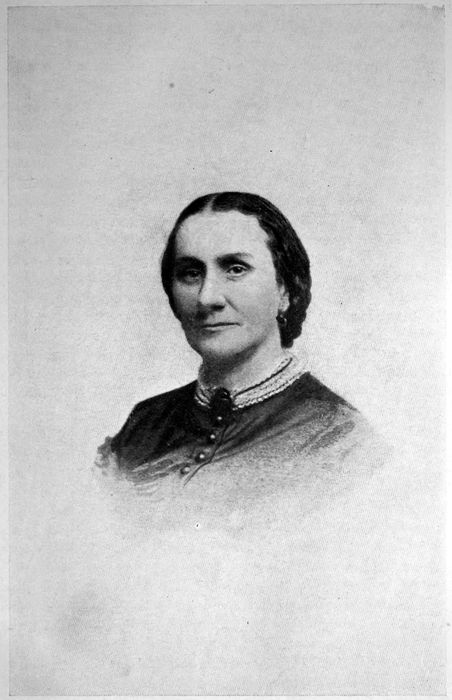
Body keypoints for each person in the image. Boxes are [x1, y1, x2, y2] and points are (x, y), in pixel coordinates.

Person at [96, 192, 382, 507]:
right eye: (191, 273)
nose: (207, 298)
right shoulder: (143, 423)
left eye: (235, 269)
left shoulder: (340, 439)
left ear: (285, 290)